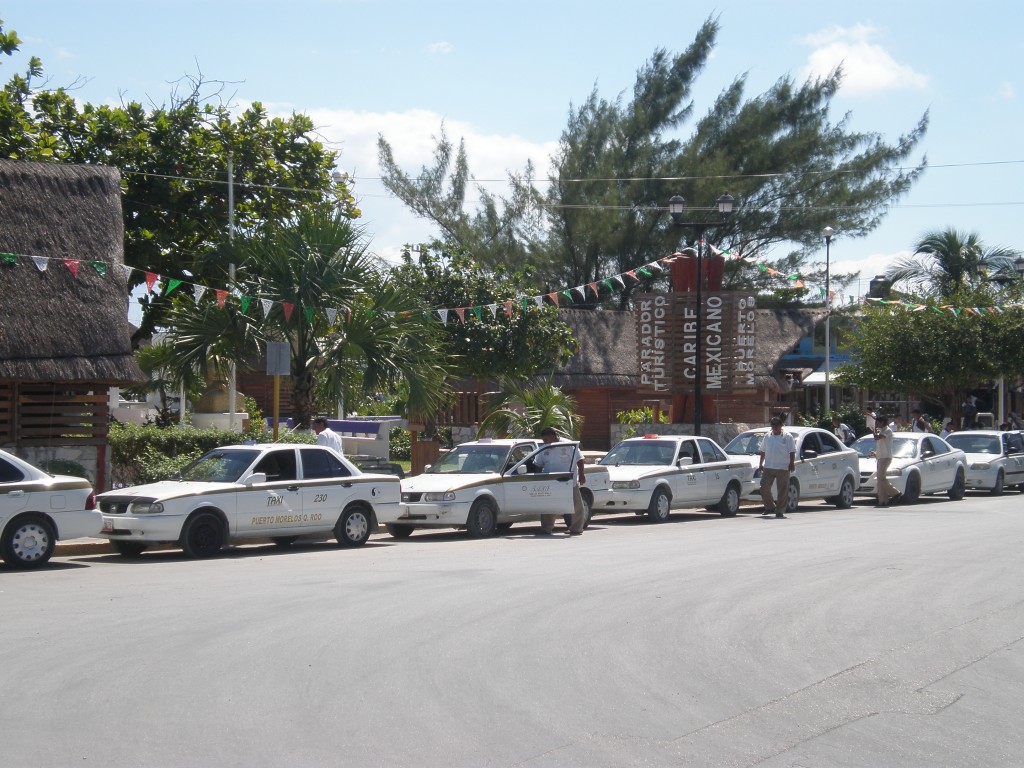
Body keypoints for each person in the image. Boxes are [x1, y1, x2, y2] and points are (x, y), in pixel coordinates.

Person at [532, 427, 587, 535]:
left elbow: (580, 460)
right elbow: (538, 464)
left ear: (554, 436)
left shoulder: (568, 444)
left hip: (568, 481)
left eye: (546, 439)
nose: (545, 442)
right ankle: (546, 528)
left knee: (576, 505)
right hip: (550, 481)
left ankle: (576, 528)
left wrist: (581, 474)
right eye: (544, 440)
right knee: (549, 505)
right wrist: (538, 479)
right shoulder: (544, 448)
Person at [758, 416, 796, 519]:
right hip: (769, 466)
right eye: (772, 424)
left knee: (782, 490)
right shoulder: (767, 436)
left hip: (783, 467)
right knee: (764, 487)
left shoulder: (787, 436)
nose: (774, 427)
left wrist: (791, 463)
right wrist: (761, 463)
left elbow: (792, 451)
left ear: (781, 425)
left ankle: (780, 511)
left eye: (776, 424)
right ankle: (769, 507)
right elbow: (763, 451)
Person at [872, 413, 900, 507]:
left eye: (878, 422)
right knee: (879, 481)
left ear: (883, 422)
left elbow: (878, 438)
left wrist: (874, 430)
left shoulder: (887, 430)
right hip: (880, 457)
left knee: (881, 477)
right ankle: (883, 501)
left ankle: (895, 493)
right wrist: (875, 453)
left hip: (886, 457)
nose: (877, 424)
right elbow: (881, 445)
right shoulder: (881, 431)